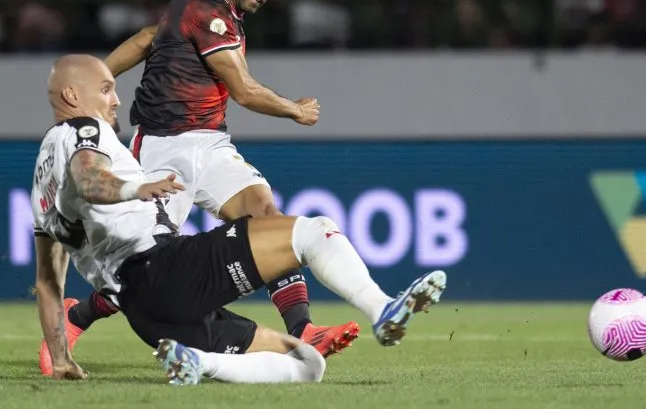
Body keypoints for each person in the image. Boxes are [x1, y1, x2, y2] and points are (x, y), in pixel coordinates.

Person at [33, 55, 446, 384]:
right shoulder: (83, 128)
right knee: (313, 231)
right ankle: (382, 310)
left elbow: (48, 282)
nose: (116, 100)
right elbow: (91, 179)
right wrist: (133, 189)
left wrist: (61, 357)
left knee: (307, 365)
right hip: (166, 270)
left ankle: (198, 361)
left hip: (144, 314)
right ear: (72, 95)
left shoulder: (41, 190)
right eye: (106, 89)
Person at [39, 0, 333, 375]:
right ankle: (77, 315)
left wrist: (95, 79)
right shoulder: (199, 5)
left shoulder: (214, 12)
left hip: (209, 142)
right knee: (145, 265)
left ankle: (303, 329)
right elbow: (244, 90)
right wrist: (295, 109)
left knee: (263, 211)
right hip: (161, 145)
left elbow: (144, 39)